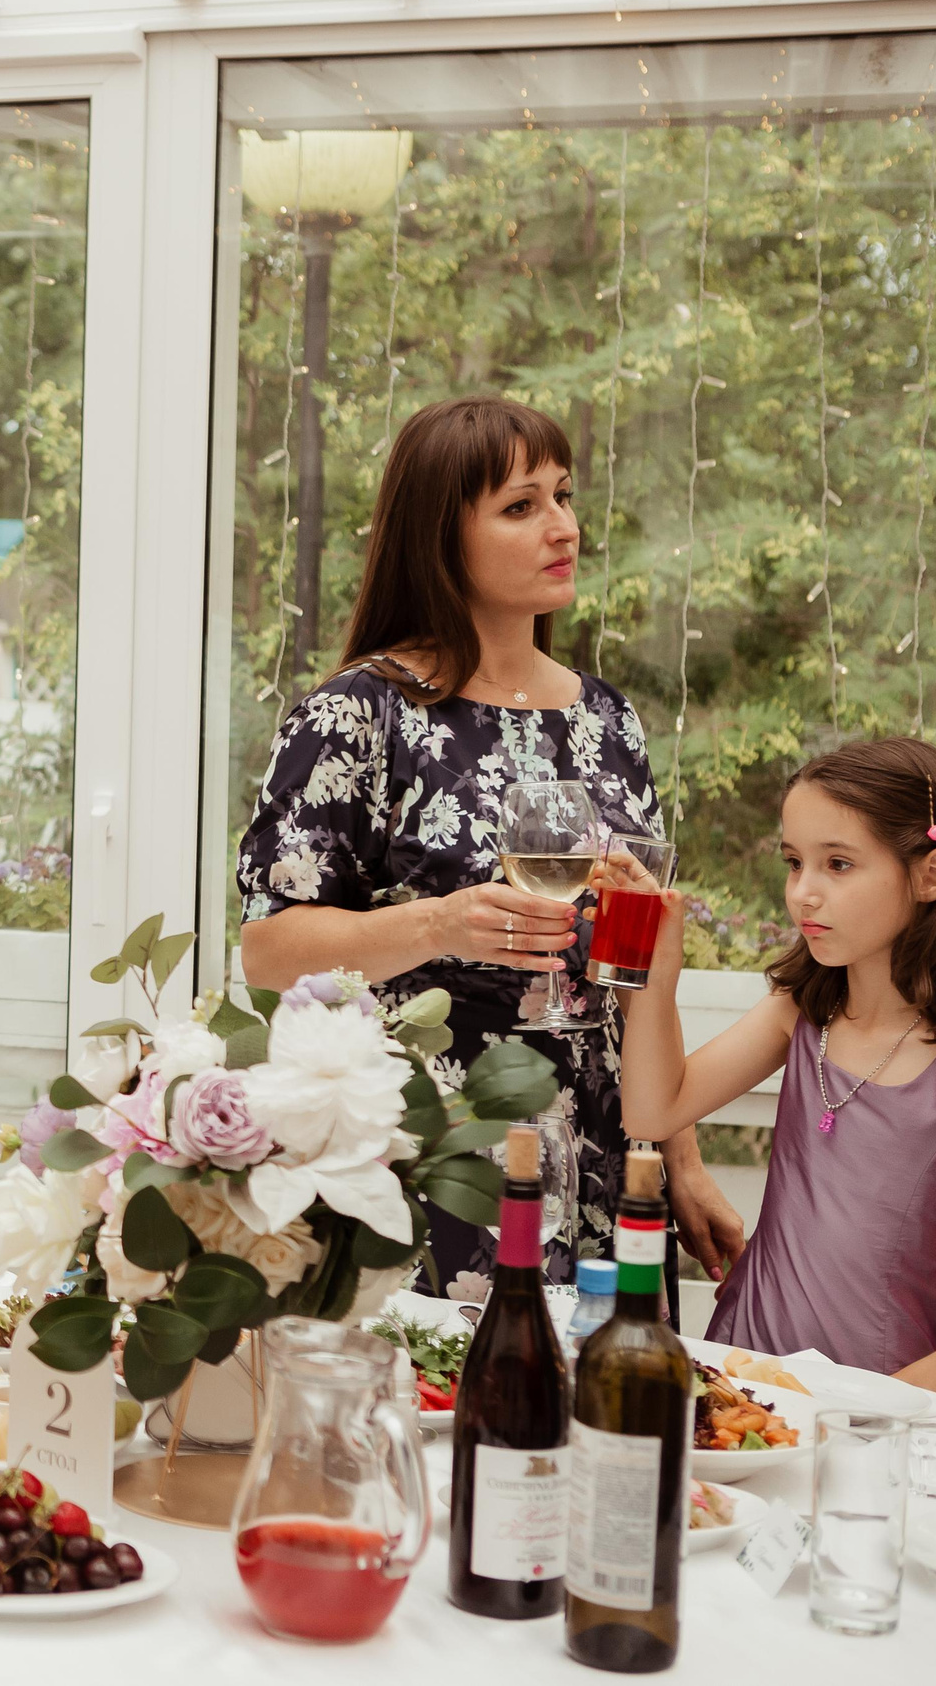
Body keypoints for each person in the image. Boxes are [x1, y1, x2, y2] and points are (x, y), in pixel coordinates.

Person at [235, 394, 744, 1300]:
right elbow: (270, 952)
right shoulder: (358, 714)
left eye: (563, 496)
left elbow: (637, 962)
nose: (563, 526)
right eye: (521, 506)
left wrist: (685, 1158)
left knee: (605, 1424)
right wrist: (440, 923)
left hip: (606, 1162)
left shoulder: (609, 719)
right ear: (442, 537)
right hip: (439, 1160)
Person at [621, 738, 936, 1404]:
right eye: (794, 862)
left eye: (838, 863)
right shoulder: (801, 1013)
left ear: (932, 875)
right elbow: (653, 1110)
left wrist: (902, 1394)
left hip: (888, 1408)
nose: (803, 892)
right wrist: (658, 970)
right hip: (749, 1379)